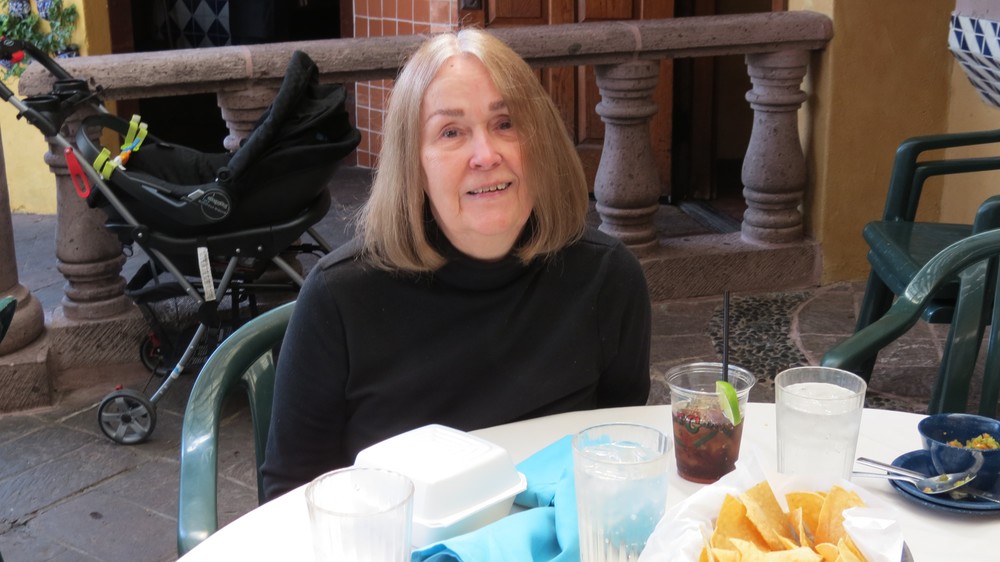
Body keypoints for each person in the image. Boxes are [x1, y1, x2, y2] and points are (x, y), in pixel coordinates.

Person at [260, 28, 651, 500]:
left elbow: (618, 460)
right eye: (451, 132)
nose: (486, 155)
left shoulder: (607, 280)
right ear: (414, 165)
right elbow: (291, 496)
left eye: (505, 123)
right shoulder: (339, 299)